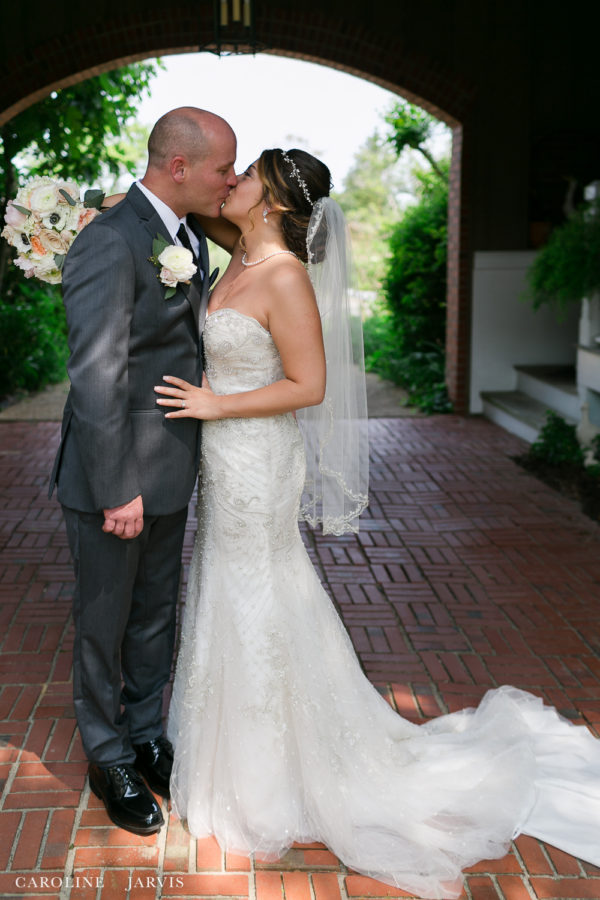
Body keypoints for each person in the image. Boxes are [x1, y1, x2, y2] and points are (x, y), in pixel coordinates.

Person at [155, 148, 600, 900]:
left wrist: (216, 404)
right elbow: (175, 203)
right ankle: (237, 754)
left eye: (244, 177)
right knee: (228, 588)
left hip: (255, 456)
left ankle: (271, 777)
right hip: (224, 458)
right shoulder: (236, 254)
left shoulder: (284, 275)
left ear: (269, 203)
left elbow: (309, 383)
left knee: (258, 591)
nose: (228, 183)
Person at [48, 107, 237, 836]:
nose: (231, 179)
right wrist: (115, 484)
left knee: (156, 612)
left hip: (170, 466)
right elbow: (95, 374)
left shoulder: (186, 233)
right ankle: (106, 755)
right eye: (224, 167)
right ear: (179, 167)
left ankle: (146, 734)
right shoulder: (110, 239)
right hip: (114, 479)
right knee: (105, 619)